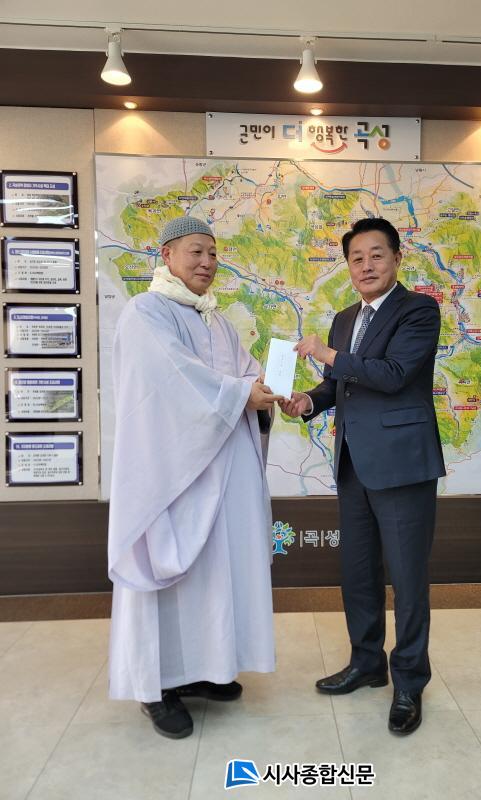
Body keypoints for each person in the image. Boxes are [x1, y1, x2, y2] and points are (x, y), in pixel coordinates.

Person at [107, 216, 281, 739]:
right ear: (167, 255)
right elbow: (172, 381)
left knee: (214, 572)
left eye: (213, 253)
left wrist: (268, 389)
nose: (207, 263)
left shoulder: (217, 320)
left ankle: (203, 668)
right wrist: (240, 394)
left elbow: (244, 374)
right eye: (196, 252)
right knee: (168, 575)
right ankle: (155, 687)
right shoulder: (146, 312)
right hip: (172, 479)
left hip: (221, 476)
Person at [280, 217, 445, 736]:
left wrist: (327, 354)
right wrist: (308, 401)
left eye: (377, 254)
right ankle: (367, 662)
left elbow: (393, 376)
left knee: (408, 579)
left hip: (403, 464)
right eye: (356, 257)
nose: (366, 265)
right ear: (348, 266)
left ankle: (410, 681)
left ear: (396, 258)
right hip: (353, 463)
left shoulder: (419, 310)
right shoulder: (345, 318)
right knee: (358, 573)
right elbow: (339, 384)